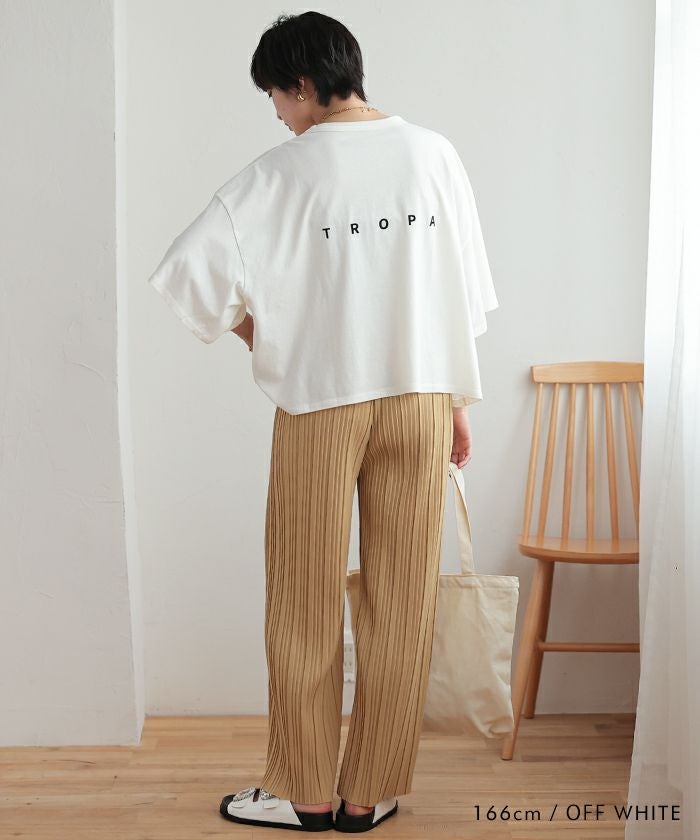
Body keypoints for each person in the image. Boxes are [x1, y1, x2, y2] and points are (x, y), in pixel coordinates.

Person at [147, 10, 498, 834]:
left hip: (321, 406)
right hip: (420, 398)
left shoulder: (280, 173)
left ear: (302, 84)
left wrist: (263, 336)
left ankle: (304, 792)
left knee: (303, 600)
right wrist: (454, 400)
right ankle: (367, 794)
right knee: (402, 601)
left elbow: (188, 272)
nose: (277, 114)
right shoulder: (434, 154)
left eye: (276, 96)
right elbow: (456, 291)